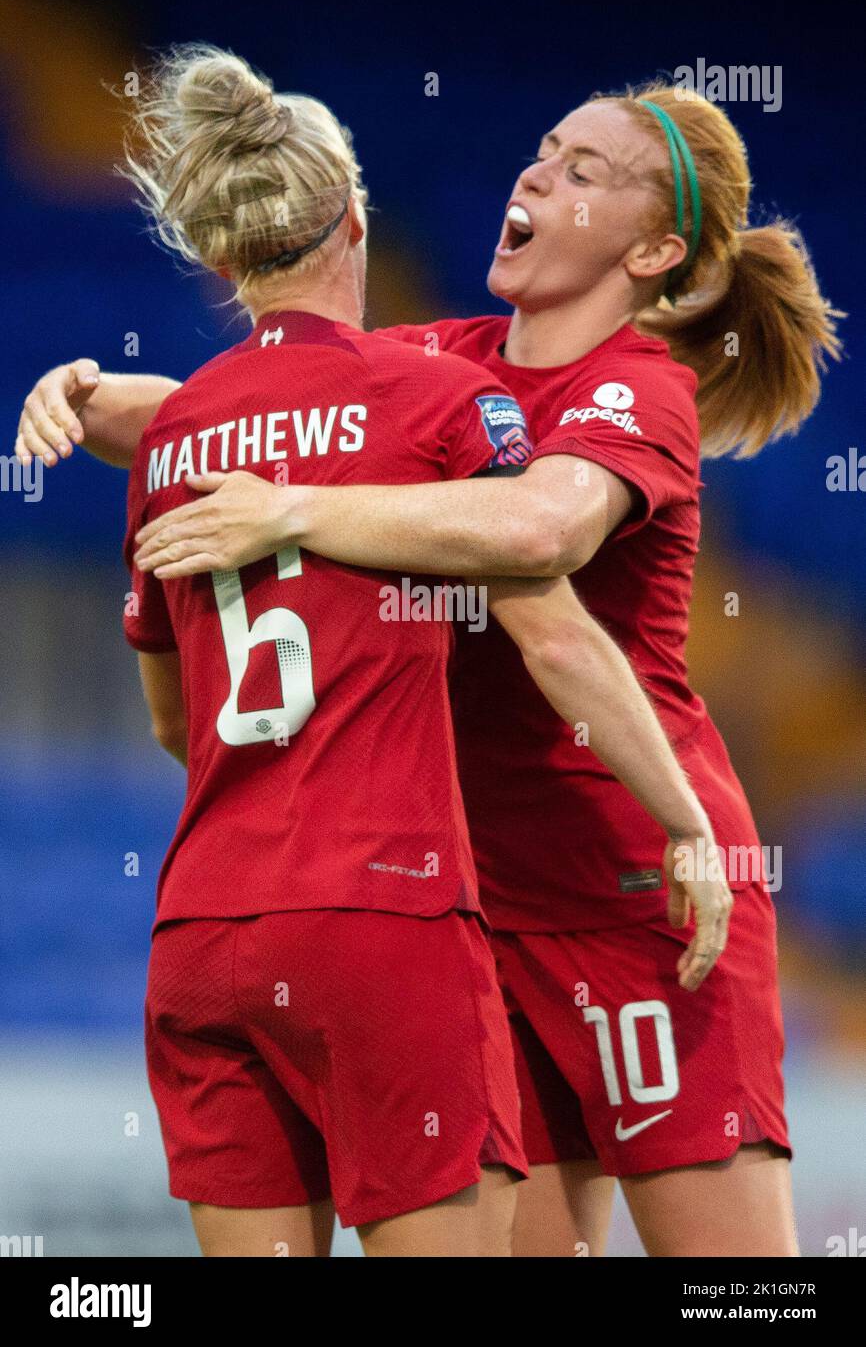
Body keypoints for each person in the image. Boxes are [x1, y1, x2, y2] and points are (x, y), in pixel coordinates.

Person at [20, 81, 827, 1255]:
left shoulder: (632, 391)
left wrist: (286, 509)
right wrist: (86, 396)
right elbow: (233, 411)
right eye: (544, 149)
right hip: (470, 907)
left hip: (636, 889)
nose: (536, 175)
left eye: (583, 173)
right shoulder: (442, 363)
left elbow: (537, 532)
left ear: (653, 250)